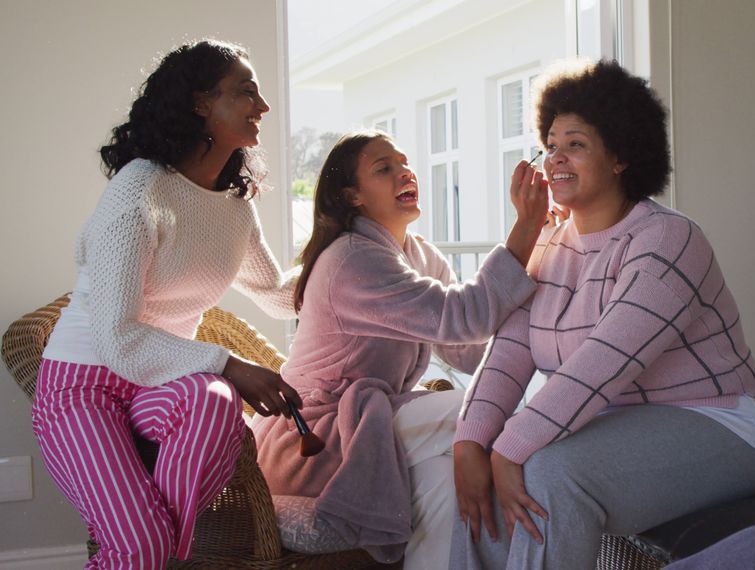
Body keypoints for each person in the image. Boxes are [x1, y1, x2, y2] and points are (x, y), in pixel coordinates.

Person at [450, 59, 755, 569]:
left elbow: (603, 364)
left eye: (576, 144)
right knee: (474, 478)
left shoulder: (669, 239)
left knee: (548, 472)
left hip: (719, 422)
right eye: (551, 145)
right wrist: (472, 442)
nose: (556, 159)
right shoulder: (551, 242)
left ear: (621, 156)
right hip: (617, 422)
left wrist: (509, 447)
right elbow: (510, 349)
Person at [30, 40, 302, 569]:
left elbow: (278, 293)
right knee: (142, 543)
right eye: (247, 92)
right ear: (201, 103)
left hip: (156, 385)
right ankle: (148, 549)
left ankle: (150, 550)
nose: (262, 107)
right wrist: (230, 363)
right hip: (83, 386)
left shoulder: (233, 207)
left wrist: (344, 238)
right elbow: (118, 337)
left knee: (215, 401)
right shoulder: (139, 194)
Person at [252, 131, 550, 569]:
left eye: (404, 162)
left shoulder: (417, 255)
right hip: (315, 438)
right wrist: (527, 227)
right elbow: (463, 315)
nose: (404, 171)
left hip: (369, 421)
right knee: (488, 416)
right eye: (383, 168)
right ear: (352, 195)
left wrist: (543, 252)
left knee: (444, 487)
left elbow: (467, 348)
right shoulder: (352, 260)